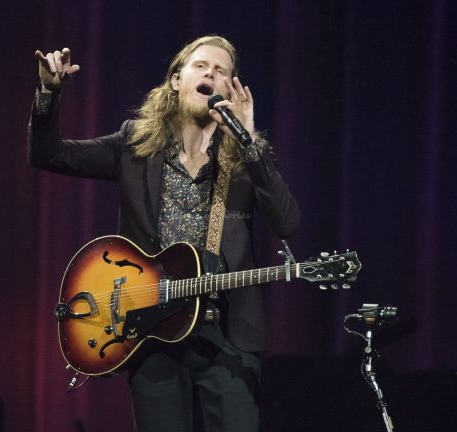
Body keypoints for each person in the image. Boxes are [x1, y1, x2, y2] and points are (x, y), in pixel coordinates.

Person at [29, 35, 299, 432]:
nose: (211, 73)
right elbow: (49, 155)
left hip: (227, 336)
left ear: (230, 90)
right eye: (201, 66)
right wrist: (48, 95)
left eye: (222, 71)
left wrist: (250, 143)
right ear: (176, 80)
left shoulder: (247, 159)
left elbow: (287, 224)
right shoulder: (134, 145)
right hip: (151, 331)